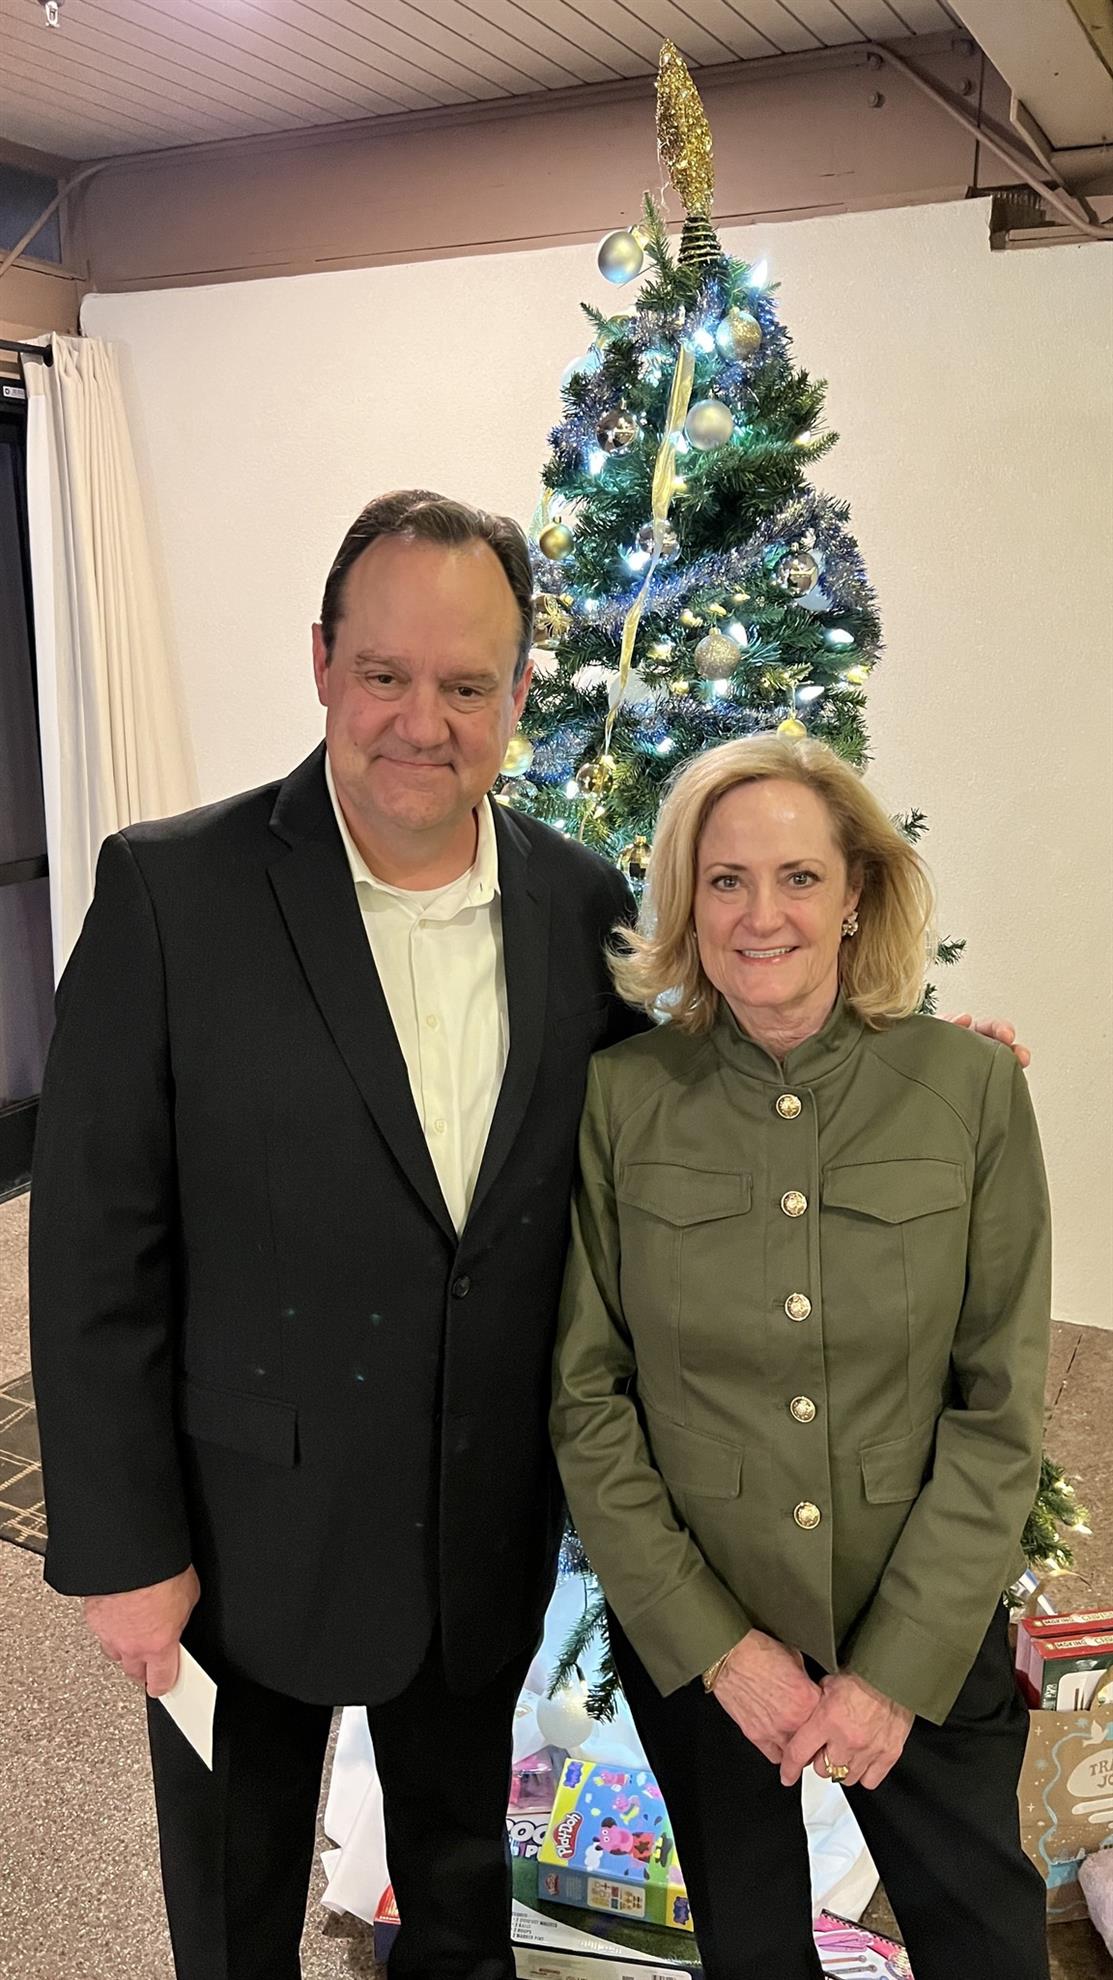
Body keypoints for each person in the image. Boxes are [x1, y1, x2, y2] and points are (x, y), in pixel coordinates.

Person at [29, 489, 1027, 1980]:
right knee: (234, 1910)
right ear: (321, 661)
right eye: (385, 673)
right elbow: (93, 1249)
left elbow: (709, 1101)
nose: (420, 720)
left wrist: (923, 1074)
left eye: (466, 684)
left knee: (457, 1888)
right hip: (241, 1538)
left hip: (474, 1527)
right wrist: (123, 1550)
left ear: (516, 695)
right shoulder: (175, 889)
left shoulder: (576, 902)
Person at [550, 733, 1050, 1980]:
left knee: (987, 1941)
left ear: (857, 893)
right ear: (687, 899)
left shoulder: (970, 1088)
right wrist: (720, 1649)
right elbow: (588, 1398)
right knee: (752, 1953)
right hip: (705, 1626)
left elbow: (998, 1407)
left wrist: (893, 1674)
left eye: (800, 878)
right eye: (725, 880)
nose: (760, 914)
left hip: (920, 1612)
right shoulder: (624, 1097)